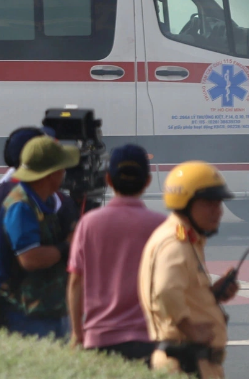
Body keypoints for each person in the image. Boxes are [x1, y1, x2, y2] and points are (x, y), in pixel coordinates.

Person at [139, 162, 240, 377]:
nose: (218, 211)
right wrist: (190, 329)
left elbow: (178, 292)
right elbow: (165, 290)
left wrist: (210, 295)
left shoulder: (187, 239)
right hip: (186, 364)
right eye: (209, 203)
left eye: (219, 203)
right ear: (185, 203)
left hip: (193, 363)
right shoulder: (176, 243)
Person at [68, 144, 164, 362]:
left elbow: (75, 282)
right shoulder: (161, 226)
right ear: (147, 181)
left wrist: (77, 332)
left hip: (100, 339)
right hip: (147, 339)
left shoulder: (89, 223)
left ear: (108, 180)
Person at [0, 135, 80, 339]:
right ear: (51, 175)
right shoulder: (21, 206)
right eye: (61, 168)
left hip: (47, 311)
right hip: (26, 317)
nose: (64, 173)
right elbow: (30, 258)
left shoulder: (44, 202)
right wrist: (67, 245)